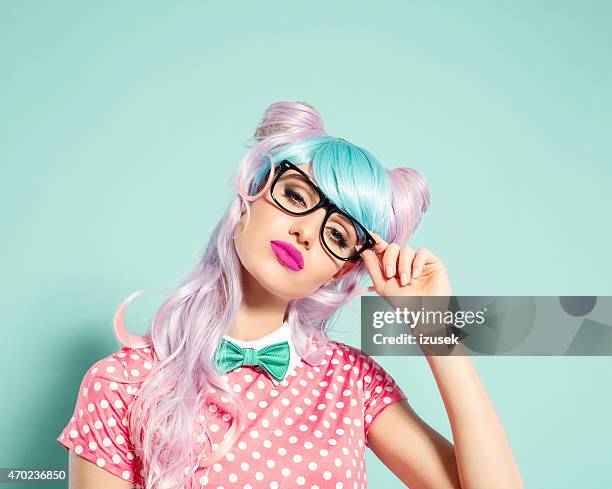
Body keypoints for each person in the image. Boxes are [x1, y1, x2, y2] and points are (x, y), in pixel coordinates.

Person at [57, 101, 523, 489]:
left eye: (338, 235)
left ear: (340, 271)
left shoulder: (351, 382)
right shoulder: (121, 383)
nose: (304, 232)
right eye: (297, 197)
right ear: (252, 191)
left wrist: (437, 328)